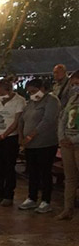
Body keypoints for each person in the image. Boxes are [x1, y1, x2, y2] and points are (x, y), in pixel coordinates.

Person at [18, 79, 61, 213]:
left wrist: (31, 135)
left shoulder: (51, 101)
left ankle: (46, 200)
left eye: (34, 91)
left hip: (45, 143)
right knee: (33, 171)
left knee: (44, 172)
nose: (32, 94)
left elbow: (48, 120)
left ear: (42, 88)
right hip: (30, 145)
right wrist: (21, 137)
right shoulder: (31, 103)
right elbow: (22, 119)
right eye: (29, 92)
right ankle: (32, 197)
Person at [0, 79, 26, 207]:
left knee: (8, 166)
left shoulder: (19, 101)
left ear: (8, 90)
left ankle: (8, 194)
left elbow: (16, 121)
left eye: (1, 92)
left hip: (9, 138)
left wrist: (3, 135)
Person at [56, 70, 79, 220]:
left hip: (76, 143)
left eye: (77, 84)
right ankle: (67, 209)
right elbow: (63, 119)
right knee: (70, 178)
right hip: (67, 143)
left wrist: (74, 139)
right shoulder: (73, 99)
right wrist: (62, 137)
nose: (75, 87)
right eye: (73, 85)